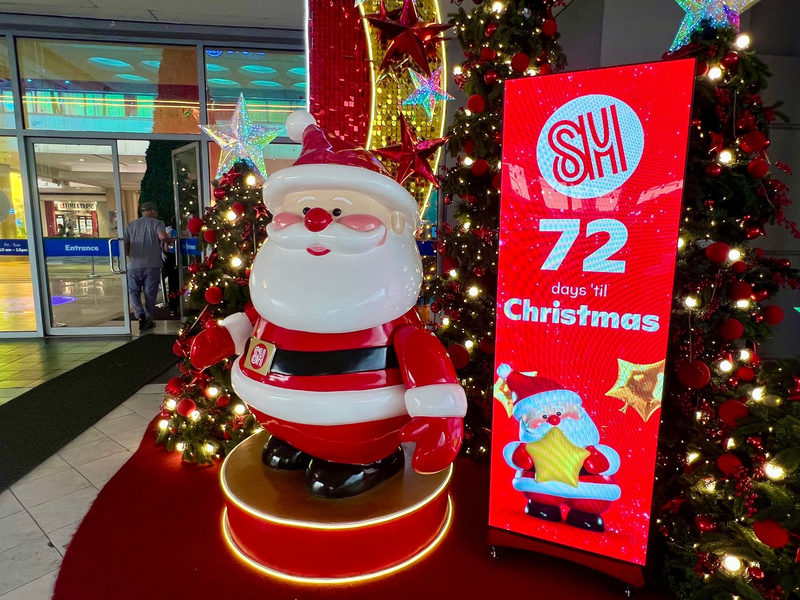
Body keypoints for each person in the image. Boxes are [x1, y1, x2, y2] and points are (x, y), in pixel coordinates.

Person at [124, 202, 171, 331]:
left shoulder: (131, 225)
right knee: (150, 292)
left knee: (134, 291)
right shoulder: (157, 223)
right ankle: (149, 317)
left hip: (134, 264)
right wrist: (170, 240)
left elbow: (126, 244)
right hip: (152, 264)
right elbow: (162, 236)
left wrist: (130, 256)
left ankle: (140, 314)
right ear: (152, 211)